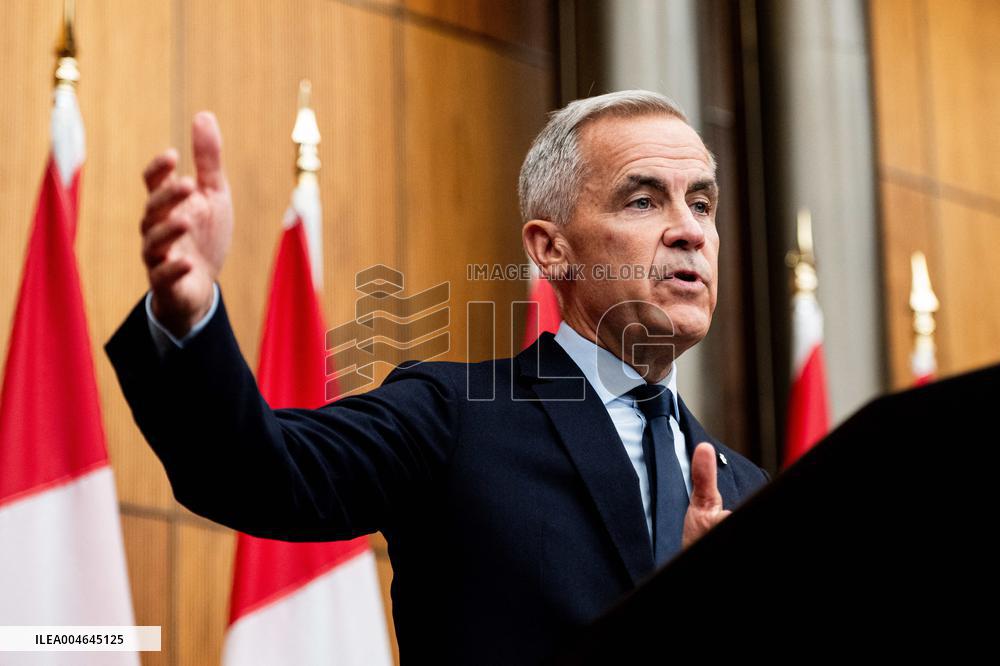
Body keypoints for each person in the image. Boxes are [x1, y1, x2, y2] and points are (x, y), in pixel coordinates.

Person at [106, 90, 770, 664]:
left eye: (703, 205)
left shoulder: (750, 490)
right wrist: (188, 321)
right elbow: (255, 471)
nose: (690, 231)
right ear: (550, 248)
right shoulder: (455, 417)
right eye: (645, 200)